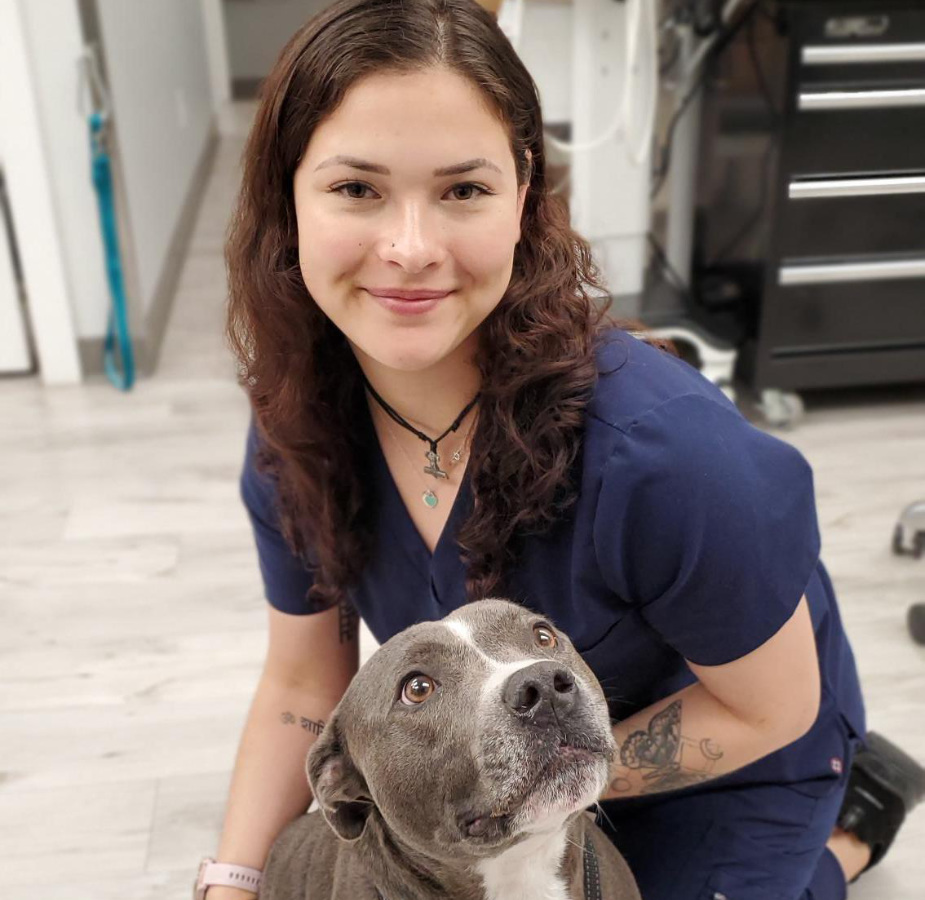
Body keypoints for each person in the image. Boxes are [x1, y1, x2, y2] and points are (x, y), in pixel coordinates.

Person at [205, 1, 924, 897]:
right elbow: (305, 687)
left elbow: (766, 707)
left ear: (522, 197)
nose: (411, 248)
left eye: (463, 190)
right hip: (506, 763)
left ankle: (856, 822)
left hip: (734, 746)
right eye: (357, 189)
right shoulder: (297, 428)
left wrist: (524, 775)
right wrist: (231, 881)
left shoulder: (664, 451)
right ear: (288, 200)